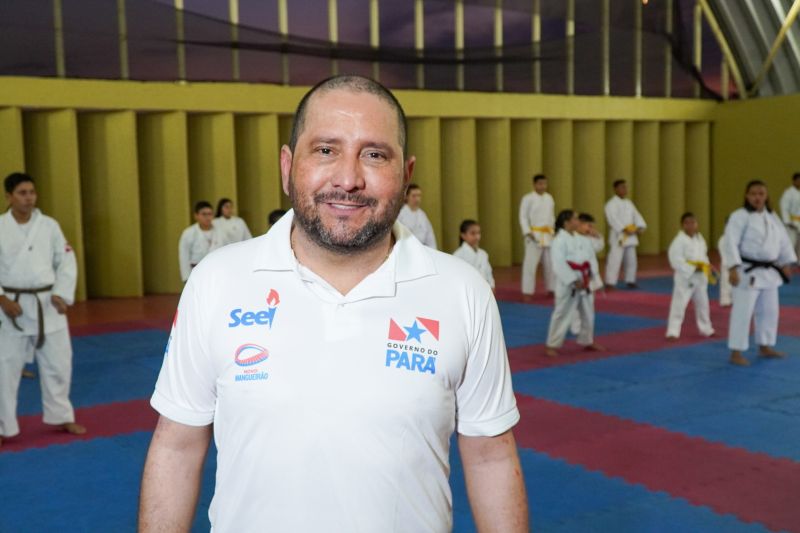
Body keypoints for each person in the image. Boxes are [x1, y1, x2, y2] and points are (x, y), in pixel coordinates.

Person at [139, 75, 528, 533]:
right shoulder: (216, 282)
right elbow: (177, 446)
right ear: (287, 166)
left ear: (406, 174)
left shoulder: (462, 292)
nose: (348, 178)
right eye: (326, 150)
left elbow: (490, 455)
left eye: (374, 154)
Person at [0, 172, 84, 448]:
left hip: (47, 304)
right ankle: (4, 426)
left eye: (32, 192)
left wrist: (61, 293)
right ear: (9, 196)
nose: (29, 198)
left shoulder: (49, 226)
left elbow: (66, 260)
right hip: (11, 307)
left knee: (59, 364)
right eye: (23, 193)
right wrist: (2, 299)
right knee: (5, 369)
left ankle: (61, 415)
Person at [722, 180, 796, 366]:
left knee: (770, 311)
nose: (757, 197)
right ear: (747, 196)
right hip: (747, 272)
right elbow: (729, 242)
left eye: (761, 193)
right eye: (753, 194)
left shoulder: (772, 216)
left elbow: (784, 241)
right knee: (742, 312)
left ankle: (765, 345)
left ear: (766, 196)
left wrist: (786, 262)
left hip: (770, 272)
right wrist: (732, 267)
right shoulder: (739, 216)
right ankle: (736, 351)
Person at [545, 209, 603, 358]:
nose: (578, 221)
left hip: (585, 280)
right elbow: (558, 264)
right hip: (568, 284)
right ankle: (552, 344)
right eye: (576, 219)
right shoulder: (559, 240)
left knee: (588, 312)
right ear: (567, 223)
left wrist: (591, 276)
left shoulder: (582, 238)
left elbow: (591, 258)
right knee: (562, 313)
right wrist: (572, 280)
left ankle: (587, 340)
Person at [665, 212, 716, 340]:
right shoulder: (679, 241)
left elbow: (704, 256)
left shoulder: (700, 239)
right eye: (687, 223)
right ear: (683, 225)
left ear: (697, 224)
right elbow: (675, 260)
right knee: (679, 304)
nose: (691, 225)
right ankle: (673, 331)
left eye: (693, 222)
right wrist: (693, 268)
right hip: (685, 277)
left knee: (703, 304)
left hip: (700, 277)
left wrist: (707, 265)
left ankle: (706, 329)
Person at [604, 179, 647, 289]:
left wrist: (640, 226)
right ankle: (610, 282)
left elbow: (636, 216)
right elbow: (612, 219)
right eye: (622, 187)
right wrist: (624, 229)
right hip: (619, 235)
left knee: (631, 259)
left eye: (625, 187)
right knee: (615, 259)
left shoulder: (629, 203)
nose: (625, 189)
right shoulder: (611, 204)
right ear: (615, 189)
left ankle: (630, 279)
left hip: (631, 235)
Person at [518, 174, 555, 296]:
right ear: (534, 184)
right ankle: (527, 291)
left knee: (550, 263)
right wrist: (527, 232)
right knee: (530, 264)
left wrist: (553, 230)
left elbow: (551, 216)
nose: (543, 186)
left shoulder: (549, 198)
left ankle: (552, 288)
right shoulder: (528, 198)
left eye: (544, 183)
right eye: (540, 184)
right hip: (534, 234)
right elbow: (523, 216)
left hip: (548, 234)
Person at [570, 213, 604, 336]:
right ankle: (575, 327)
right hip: (576, 277)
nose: (590, 229)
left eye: (591, 226)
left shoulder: (590, 239)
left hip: (589, 277)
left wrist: (597, 236)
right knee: (574, 304)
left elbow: (599, 247)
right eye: (588, 226)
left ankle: (586, 327)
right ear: (579, 225)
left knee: (589, 304)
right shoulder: (570, 239)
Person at [178, 201, 225, 283]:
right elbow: (184, 256)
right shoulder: (189, 233)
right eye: (204, 214)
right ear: (196, 216)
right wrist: (186, 278)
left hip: (216, 272)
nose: (207, 217)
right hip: (196, 272)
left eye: (210, 214)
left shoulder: (221, 231)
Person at [453, 219, 495, 289]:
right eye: (473, 233)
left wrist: (492, 286)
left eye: (478, 233)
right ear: (463, 235)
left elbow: (488, 273)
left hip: (484, 290)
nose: (477, 237)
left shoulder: (483, 254)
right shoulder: (457, 255)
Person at [397, 183, 437, 248]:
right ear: (406, 197)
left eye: (419, 196)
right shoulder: (400, 215)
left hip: (422, 249)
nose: (417, 199)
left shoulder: (422, 215)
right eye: (414, 196)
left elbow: (430, 237)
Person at [779, 172, 800, 259]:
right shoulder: (788, 193)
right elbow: (784, 207)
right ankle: (788, 263)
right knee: (790, 243)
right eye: (798, 180)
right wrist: (787, 221)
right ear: (794, 181)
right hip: (792, 222)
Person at [718, 220, 733, 307]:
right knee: (725, 283)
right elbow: (723, 253)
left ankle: (733, 299)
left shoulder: (735, 237)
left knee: (735, 284)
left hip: (735, 264)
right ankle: (725, 300)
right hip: (726, 263)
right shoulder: (723, 239)